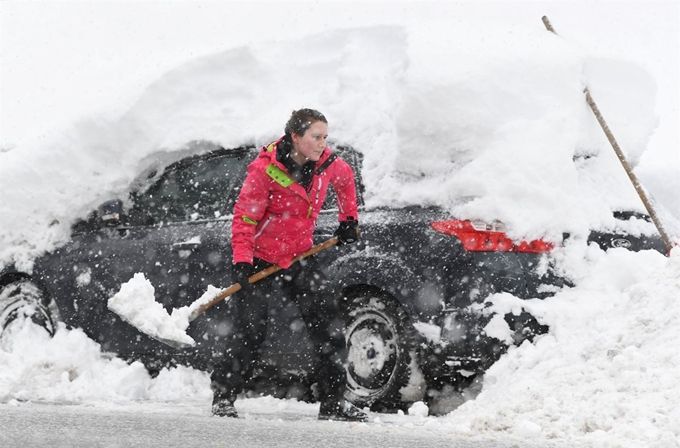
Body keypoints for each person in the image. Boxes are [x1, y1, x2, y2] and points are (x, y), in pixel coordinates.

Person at [210, 108, 367, 422]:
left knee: (329, 327)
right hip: (259, 258)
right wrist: (242, 262)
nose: (323, 143)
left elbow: (346, 180)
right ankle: (224, 397)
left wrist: (348, 220)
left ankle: (334, 405)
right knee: (250, 331)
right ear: (295, 137)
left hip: (301, 256)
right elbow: (245, 219)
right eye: (316, 136)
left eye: (325, 136)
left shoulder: (327, 165)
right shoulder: (265, 171)